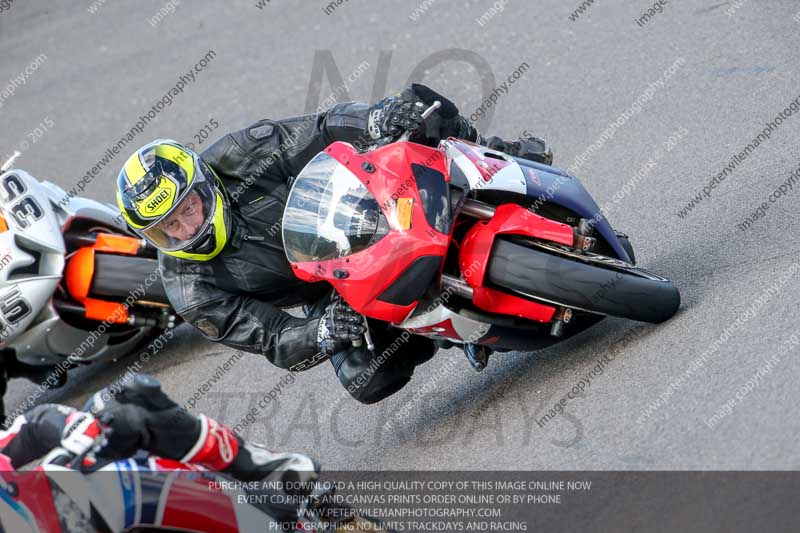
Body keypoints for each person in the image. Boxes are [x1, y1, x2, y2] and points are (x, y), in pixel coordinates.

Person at [115, 84, 552, 404]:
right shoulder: (190, 289)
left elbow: (321, 130)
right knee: (367, 379)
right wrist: (319, 332)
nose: (186, 228)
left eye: (188, 208)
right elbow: (273, 340)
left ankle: (498, 156)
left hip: (356, 203)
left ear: (203, 183)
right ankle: (439, 332)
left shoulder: (237, 155)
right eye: (167, 228)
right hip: (328, 285)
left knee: (418, 109)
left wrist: (375, 119)